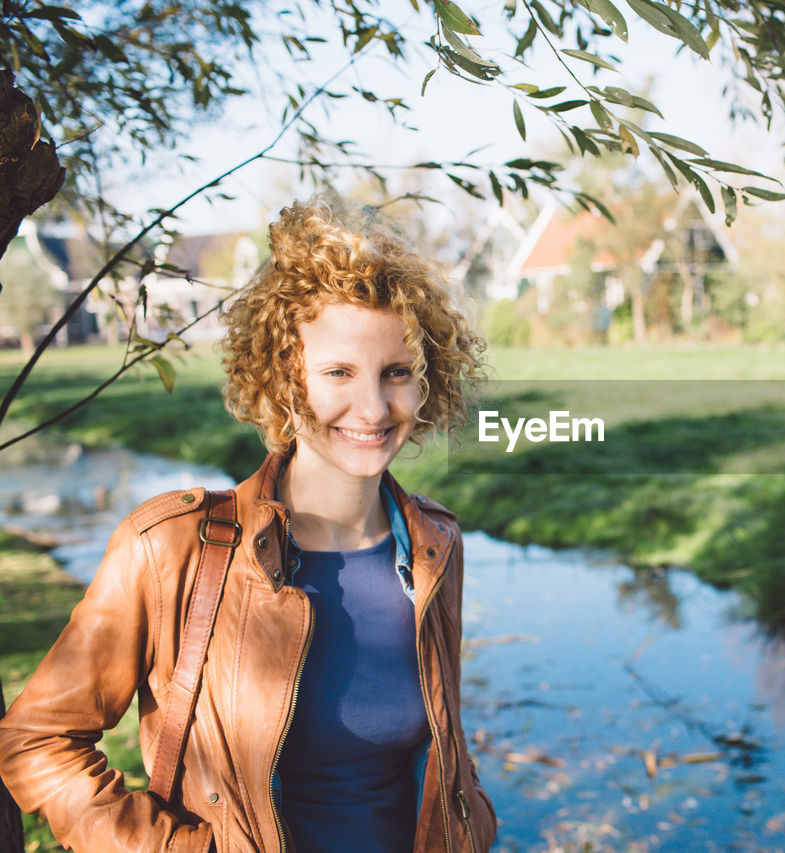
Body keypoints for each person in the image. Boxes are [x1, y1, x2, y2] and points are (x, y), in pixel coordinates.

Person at [0, 199, 496, 852]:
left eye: (397, 373)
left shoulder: (435, 546)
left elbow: (439, 745)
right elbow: (38, 739)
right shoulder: (170, 549)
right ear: (285, 377)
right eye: (338, 373)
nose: (374, 407)